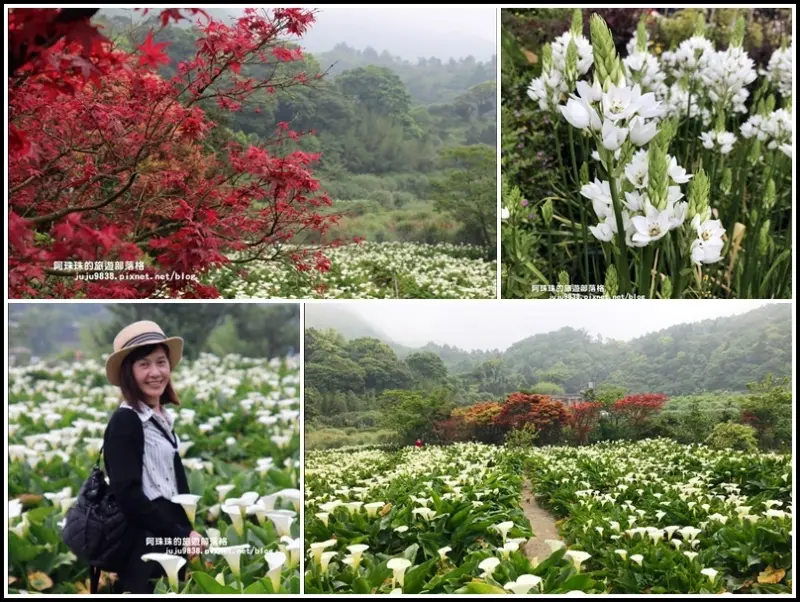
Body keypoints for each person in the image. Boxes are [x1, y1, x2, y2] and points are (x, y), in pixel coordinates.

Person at [101, 320, 208, 594]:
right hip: (146, 540)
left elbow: (175, 480)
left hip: (168, 532)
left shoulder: (159, 418)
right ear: (128, 372)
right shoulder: (126, 421)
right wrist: (181, 535)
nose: (156, 372)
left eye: (161, 362)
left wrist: (187, 533)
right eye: (144, 364)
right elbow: (129, 494)